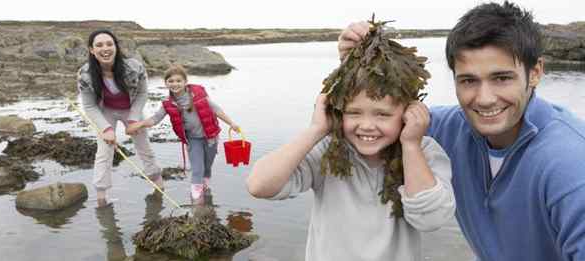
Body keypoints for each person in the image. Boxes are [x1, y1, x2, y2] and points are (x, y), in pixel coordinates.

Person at [338, 1, 585, 260]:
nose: (485, 98)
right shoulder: (446, 129)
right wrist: (357, 63)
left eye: (501, 78)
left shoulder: (570, 160)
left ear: (535, 72)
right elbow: (377, 121)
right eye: (468, 81)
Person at [247, 23, 455, 260]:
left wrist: (410, 145)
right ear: (337, 111)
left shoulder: (425, 151)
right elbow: (259, 185)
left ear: (408, 112)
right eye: (354, 112)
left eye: (382, 114)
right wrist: (316, 129)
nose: (366, 125)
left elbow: (432, 219)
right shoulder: (328, 150)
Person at [127, 64, 240, 203]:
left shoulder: (199, 96)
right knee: (197, 168)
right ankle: (197, 201)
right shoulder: (167, 104)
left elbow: (217, 110)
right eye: (171, 81)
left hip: (211, 137)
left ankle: (205, 184)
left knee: (207, 166)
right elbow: (155, 119)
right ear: (166, 83)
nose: (175, 84)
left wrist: (232, 123)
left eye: (178, 81)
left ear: (185, 82)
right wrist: (139, 124)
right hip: (193, 140)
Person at [77, 29, 162, 207]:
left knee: (144, 147)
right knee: (104, 151)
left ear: (116, 47)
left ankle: (159, 187)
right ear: (92, 50)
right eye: (99, 45)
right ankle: (101, 197)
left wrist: (133, 120)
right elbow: (90, 106)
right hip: (105, 111)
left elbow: (142, 93)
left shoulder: (135, 66)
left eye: (109, 44)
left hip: (132, 109)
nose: (105, 48)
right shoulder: (84, 74)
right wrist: (106, 129)